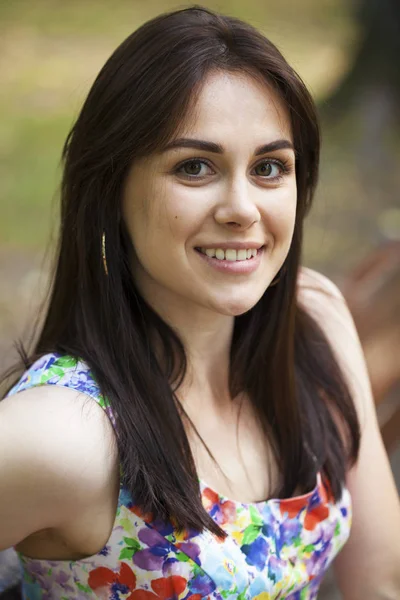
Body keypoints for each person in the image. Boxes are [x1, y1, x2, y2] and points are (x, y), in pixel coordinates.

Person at [0, 5, 399, 599]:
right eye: (194, 167)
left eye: (269, 167)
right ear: (111, 190)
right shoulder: (67, 434)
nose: (242, 208)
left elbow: (384, 579)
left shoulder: (314, 320)